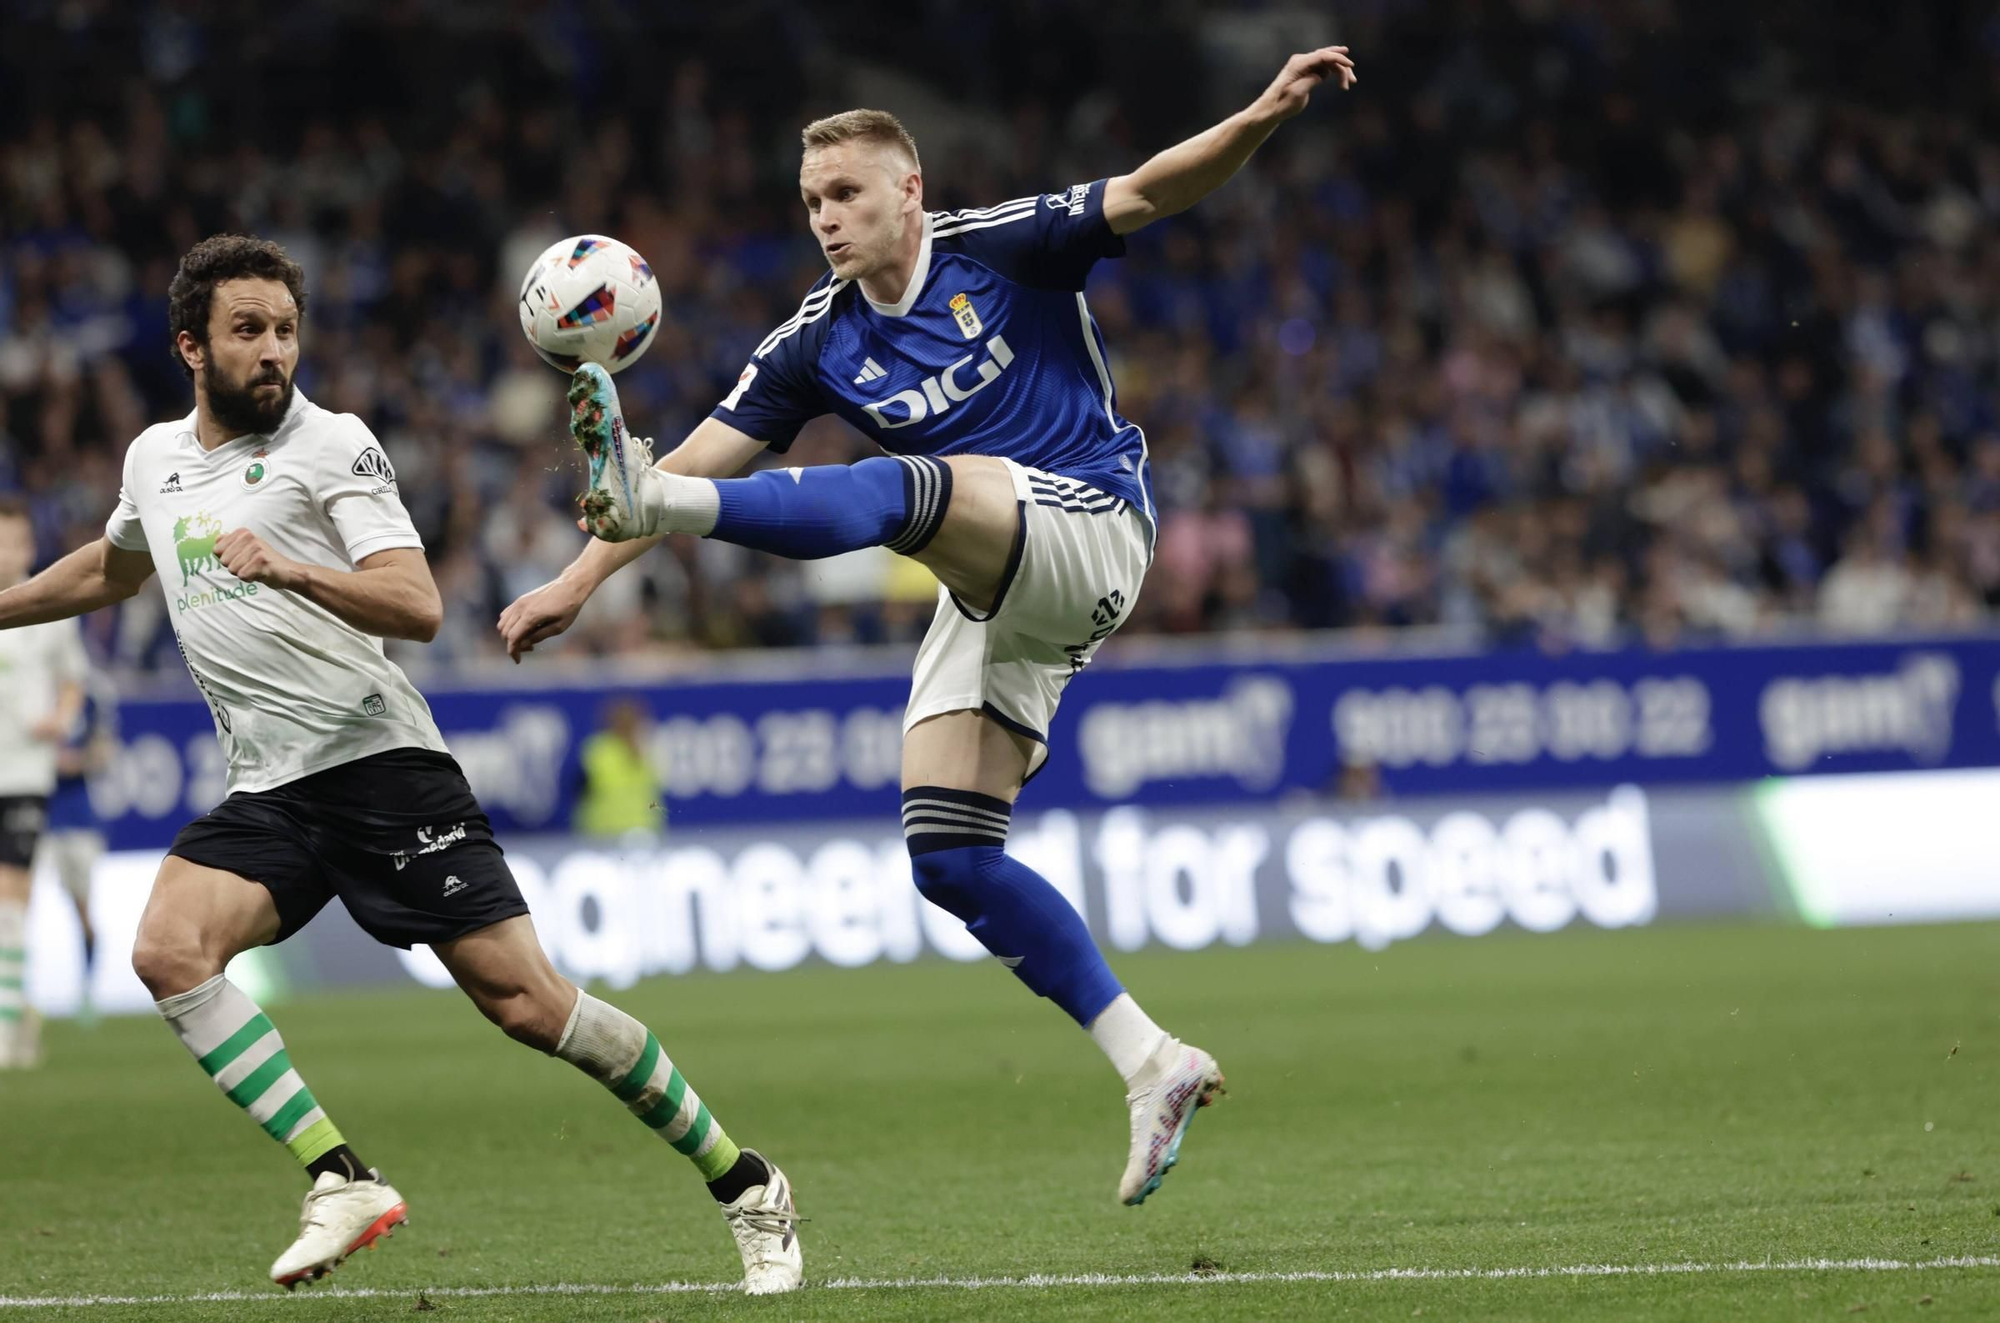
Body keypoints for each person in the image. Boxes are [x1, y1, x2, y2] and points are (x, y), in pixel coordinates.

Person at [500, 45, 1359, 1207]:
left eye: (845, 194)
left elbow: (1151, 191)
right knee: (948, 857)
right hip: (993, 582)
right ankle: (1151, 1062)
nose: (826, 220)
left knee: (906, 489)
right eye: (810, 202)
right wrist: (578, 580)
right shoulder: (818, 336)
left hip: (1091, 523)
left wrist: (1258, 113)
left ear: (909, 189)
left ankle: (690, 515)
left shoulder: (999, 245)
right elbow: (703, 450)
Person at [0, 237, 803, 1294]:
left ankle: (745, 1184)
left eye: (286, 330)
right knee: (167, 949)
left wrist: (289, 567)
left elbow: (417, 605)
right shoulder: (153, 459)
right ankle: (341, 1178)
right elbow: (113, 566)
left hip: (380, 765)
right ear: (190, 345)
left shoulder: (333, 445)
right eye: (249, 331)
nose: (274, 351)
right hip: (268, 785)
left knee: (527, 1004)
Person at [0, 497, 89, 1068]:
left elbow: (74, 683)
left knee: (11, 902)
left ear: (29, 545)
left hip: (25, 773)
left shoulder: (51, 605)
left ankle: (7, 1034)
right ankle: (19, 1007)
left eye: (14, 540)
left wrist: (60, 719)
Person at [41, 664, 119, 1025]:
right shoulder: (32, 696)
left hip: (77, 821)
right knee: (15, 906)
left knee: (82, 911)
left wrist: (76, 761)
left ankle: (88, 992)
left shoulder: (88, 701)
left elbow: (105, 752)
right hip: (34, 816)